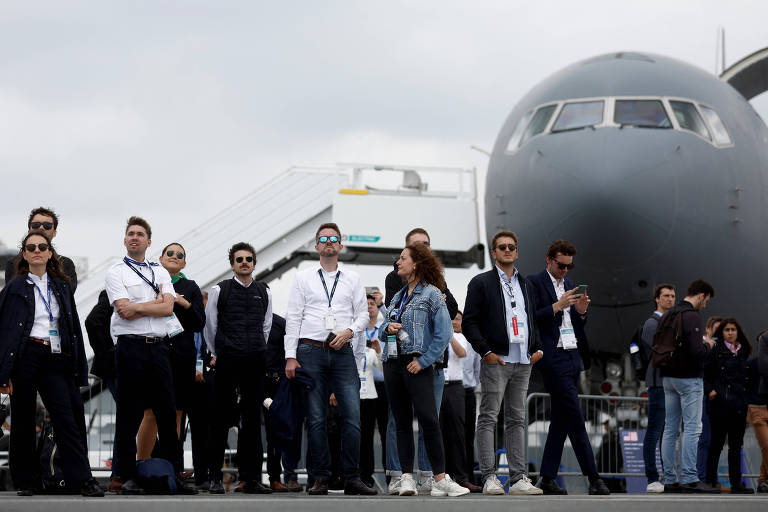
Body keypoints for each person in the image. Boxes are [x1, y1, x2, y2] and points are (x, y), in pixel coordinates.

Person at [0, 231, 102, 496]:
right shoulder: (15, 286)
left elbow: (73, 327)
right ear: (24, 254)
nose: (36, 250)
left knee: (65, 419)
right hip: (26, 355)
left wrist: (76, 363)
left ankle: (83, 478)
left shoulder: (60, 286)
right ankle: (27, 481)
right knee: (22, 420)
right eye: (31, 247)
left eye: (41, 246)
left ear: (49, 253)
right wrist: (3, 373)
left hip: (54, 356)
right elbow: (6, 331)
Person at [105, 216, 195, 495]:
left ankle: (174, 475)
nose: (135, 237)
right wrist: (153, 304)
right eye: (130, 233)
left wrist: (141, 306)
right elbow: (124, 310)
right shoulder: (116, 271)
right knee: (129, 415)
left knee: (168, 415)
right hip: (130, 347)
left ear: (148, 241)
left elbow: (169, 309)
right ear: (125, 240)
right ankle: (125, 475)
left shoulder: (161, 271)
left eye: (140, 234)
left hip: (159, 347)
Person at [284, 223, 375, 495]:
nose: (328, 243)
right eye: (323, 239)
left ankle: (352, 477)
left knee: (352, 416)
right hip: (310, 350)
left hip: (342, 349)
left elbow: (361, 315)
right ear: (316, 246)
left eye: (333, 239)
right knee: (316, 418)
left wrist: (350, 331)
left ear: (340, 245)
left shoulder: (353, 278)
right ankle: (320, 477)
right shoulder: (303, 277)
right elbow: (294, 317)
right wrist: (290, 356)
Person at [378, 243, 469, 497]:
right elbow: (382, 329)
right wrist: (388, 329)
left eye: (403, 258)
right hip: (393, 364)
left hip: (417, 364)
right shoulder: (397, 296)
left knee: (429, 420)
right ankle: (407, 478)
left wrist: (425, 360)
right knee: (402, 422)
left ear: (416, 263)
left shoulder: (432, 295)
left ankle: (440, 478)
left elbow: (444, 333)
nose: (398, 262)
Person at [463, 230, 543, 495]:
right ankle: (489, 477)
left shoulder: (527, 284)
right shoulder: (481, 282)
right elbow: (469, 322)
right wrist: (485, 351)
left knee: (517, 419)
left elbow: (531, 317)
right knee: (488, 417)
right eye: (502, 247)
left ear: (517, 252)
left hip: (523, 360)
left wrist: (537, 347)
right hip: (497, 360)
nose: (507, 250)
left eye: (511, 247)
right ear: (494, 252)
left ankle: (519, 478)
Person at [527, 240, 610, 495]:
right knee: (574, 415)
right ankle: (594, 477)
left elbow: (574, 322)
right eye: (561, 266)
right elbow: (532, 317)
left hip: (573, 354)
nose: (565, 271)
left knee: (561, 418)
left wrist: (581, 312)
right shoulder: (534, 282)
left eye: (569, 267)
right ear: (549, 260)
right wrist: (557, 306)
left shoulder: (571, 285)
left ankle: (548, 477)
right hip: (553, 357)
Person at [203, 242, 273, 494]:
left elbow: (266, 326)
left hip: (254, 361)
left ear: (254, 263)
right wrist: (219, 351)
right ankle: (214, 478)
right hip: (227, 360)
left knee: (253, 421)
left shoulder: (264, 291)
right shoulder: (219, 290)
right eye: (239, 259)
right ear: (232, 264)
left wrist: (256, 348)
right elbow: (210, 326)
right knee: (219, 420)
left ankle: (251, 479)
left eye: (249, 259)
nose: (244, 262)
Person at [135, 243, 206, 470]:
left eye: (180, 255)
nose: (175, 257)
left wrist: (182, 301)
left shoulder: (191, 287)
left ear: (184, 263)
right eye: (170, 253)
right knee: (150, 413)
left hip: (182, 357)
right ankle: (142, 465)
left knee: (176, 414)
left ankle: (171, 467)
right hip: (154, 352)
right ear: (161, 258)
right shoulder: (149, 280)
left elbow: (199, 322)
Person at [660, 279, 717, 494]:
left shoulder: (669, 313)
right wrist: (708, 345)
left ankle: (670, 479)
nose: (705, 305)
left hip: (668, 378)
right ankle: (692, 478)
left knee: (671, 429)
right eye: (706, 300)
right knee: (693, 428)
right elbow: (696, 351)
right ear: (701, 295)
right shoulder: (691, 316)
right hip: (689, 378)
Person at [703, 318, 754, 493]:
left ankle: (736, 483)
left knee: (735, 447)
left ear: (738, 332)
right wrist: (710, 390)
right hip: (720, 405)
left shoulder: (743, 351)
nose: (730, 333)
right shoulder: (715, 350)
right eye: (727, 330)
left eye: (733, 329)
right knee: (716, 445)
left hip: (739, 406)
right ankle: (710, 480)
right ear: (721, 333)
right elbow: (704, 372)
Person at [84, 289, 122, 491]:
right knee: (132, 418)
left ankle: (153, 468)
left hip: (141, 363)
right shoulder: (112, 292)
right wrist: (109, 352)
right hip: (118, 366)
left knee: (143, 417)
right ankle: (119, 474)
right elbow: (92, 322)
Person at [641, 283, 676, 493]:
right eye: (665, 296)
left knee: (668, 432)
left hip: (671, 382)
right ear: (657, 299)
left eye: (672, 296)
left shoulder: (672, 322)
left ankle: (668, 476)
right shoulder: (652, 323)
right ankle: (652, 477)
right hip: (658, 383)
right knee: (655, 431)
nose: (670, 299)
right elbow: (658, 350)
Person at [263, 313, 302, 492]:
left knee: (276, 432)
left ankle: (275, 478)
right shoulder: (249, 319)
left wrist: (280, 378)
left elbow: (290, 350)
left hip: (275, 384)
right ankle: (248, 477)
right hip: (251, 381)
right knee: (247, 430)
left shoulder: (280, 323)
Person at [4, 207, 78, 291]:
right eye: (36, 225)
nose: (41, 228)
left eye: (47, 225)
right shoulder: (13, 263)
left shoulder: (66, 264)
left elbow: (67, 298)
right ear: (29, 230)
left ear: (54, 233)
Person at [359, 295, 384, 488]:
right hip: (355, 389)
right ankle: (356, 475)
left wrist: (377, 351)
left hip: (379, 388)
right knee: (358, 435)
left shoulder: (383, 327)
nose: (369, 308)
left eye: (372, 304)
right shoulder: (356, 330)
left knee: (383, 433)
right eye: (365, 304)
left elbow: (383, 365)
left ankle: (390, 476)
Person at [456, 311, 482, 489]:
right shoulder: (444, 340)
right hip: (449, 391)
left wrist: (472, 384)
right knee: (451, 435)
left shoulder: (471, 344)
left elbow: (477, 369)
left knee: (467, 437)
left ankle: (468, 477)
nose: (454, 322)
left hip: (467, 392)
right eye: (452, 318)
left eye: (458, 318)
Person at [697, 315, 722, 483]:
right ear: (708, 329)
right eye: (717, 330)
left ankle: (711, 478)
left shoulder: (722, 348)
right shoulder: (703, 346)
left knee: (715, 441)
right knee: (704, 439)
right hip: (703, 398)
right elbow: (700, 372)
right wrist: (710, 389)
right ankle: (701, 477)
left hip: (718, 401)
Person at [752, 330, 768, 493]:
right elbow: (763, 368)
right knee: (767, 445)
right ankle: (763, 480)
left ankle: (763, 480)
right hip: (758, 407)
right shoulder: (765, 338)